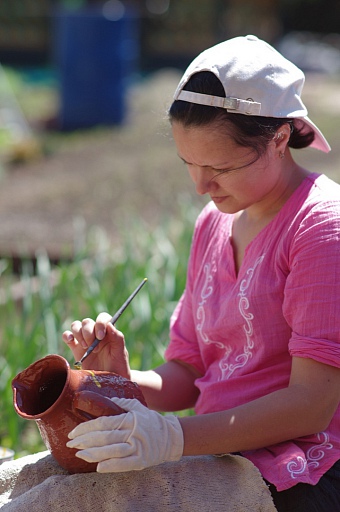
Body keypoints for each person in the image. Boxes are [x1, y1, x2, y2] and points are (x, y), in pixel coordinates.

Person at [62, 35, 340, 512]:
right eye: (188, 163)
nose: (200, 186)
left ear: (278, 138)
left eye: (220, 167)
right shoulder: (214, 223)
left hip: (301, 472)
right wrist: (122, 379)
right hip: (216, 450)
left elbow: (311, 404)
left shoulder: (321, 227)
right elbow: (191, 374)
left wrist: (170, 437)